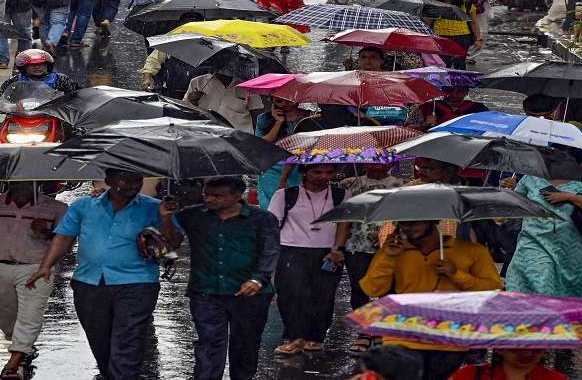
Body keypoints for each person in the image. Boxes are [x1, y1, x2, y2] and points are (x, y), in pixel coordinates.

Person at [26, 169, 163, 380]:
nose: (132, 185)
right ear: (109, 181)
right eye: (125, 180)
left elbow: (172, 243)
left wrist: (168, 218)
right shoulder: (83, 205)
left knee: (128, 341)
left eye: (137, 180)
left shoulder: (153, 208)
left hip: (138, 283)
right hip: (89, 283)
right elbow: (64, 236)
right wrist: (46, 265)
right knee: (100, 342)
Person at [160, 176, 279, 380]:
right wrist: (166, 218)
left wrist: (258, 279)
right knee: (208, 344)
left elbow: (270, 251)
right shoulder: (192, 215)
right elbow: (170, 245)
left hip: (250, 294)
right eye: (206, 194)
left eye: (217, 196)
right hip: (206, 291)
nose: (209, 199)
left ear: (237, 196)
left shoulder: (263, 218)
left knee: (246, 344)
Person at [360, 219, 503, 380]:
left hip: (448, 340)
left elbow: (493, 290)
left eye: (416, 222)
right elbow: (372, 289)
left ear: (434, 220)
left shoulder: (472, 251)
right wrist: (388, 257)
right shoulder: (393, 250)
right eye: (403, 223)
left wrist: (456, 274)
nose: (409, 227)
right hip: (402, 337)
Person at [0, 181, 68, 379]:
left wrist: (46, 232)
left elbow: (66, 241)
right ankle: (22, 345)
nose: (22, 187)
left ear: (37, 184)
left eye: (27, 183)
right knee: (4, 315)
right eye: (18, 183)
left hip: (36, 268)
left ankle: (14, 361)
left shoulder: (56, 208)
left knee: (30, 314)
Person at [504, 160, 582, 305]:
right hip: (534, 242)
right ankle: (537, 318)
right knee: (539, 280)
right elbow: (514, 206)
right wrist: (508, 192)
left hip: (574, 251)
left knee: (570, 300)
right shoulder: (531, 178)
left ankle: (557, 319)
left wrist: (573, 198)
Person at [267, 164, 351, 355]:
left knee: (324, 296)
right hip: (291, 250)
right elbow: (271, 226)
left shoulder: (341, 195)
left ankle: (316, 337)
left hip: (328, 252)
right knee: (292, 296)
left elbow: (344, 225)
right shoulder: (285, 195)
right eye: (317, 172)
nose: (324, 176)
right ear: (304, 172)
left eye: (329, 172)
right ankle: (294, 337)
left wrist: (338, 249)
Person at [340, 163, 406, 354]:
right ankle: (365, 331)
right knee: (359, 288)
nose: (379, 167)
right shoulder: (349, 183)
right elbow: (344, 216)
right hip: (356, 245)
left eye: (384, 163)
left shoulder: (400, 185)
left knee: (388, 288)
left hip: (389, 244)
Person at [184, 69, 263, 132]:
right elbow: (184, 110)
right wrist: (192, 101)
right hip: (204, 134)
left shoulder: (247, 86)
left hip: (239, 138)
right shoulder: (197, 82)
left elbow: (257, 115)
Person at [0, 49, 80, 97]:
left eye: (41, 64)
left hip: (55, 117)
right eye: (32, 65)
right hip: (20, 117)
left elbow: (77, 95)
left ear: (48, 65)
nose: (37, 67)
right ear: (24, 67)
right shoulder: (15, 80)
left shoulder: (61, 79)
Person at [449, 350, 567, 380]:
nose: (527, 353)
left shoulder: (555, 379)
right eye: (517, 346)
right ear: (499, 347)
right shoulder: (468, 375)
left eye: (536, 346)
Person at [432, 0, 477, 70]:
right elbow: (429, 22)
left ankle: (460, 81)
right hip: (440, 36)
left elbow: (474, 22)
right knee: (443, 63)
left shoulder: (466, 5)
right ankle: (445, 81)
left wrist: (479, 39)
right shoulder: (433, 4)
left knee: (459, 63)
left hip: (462, 37)